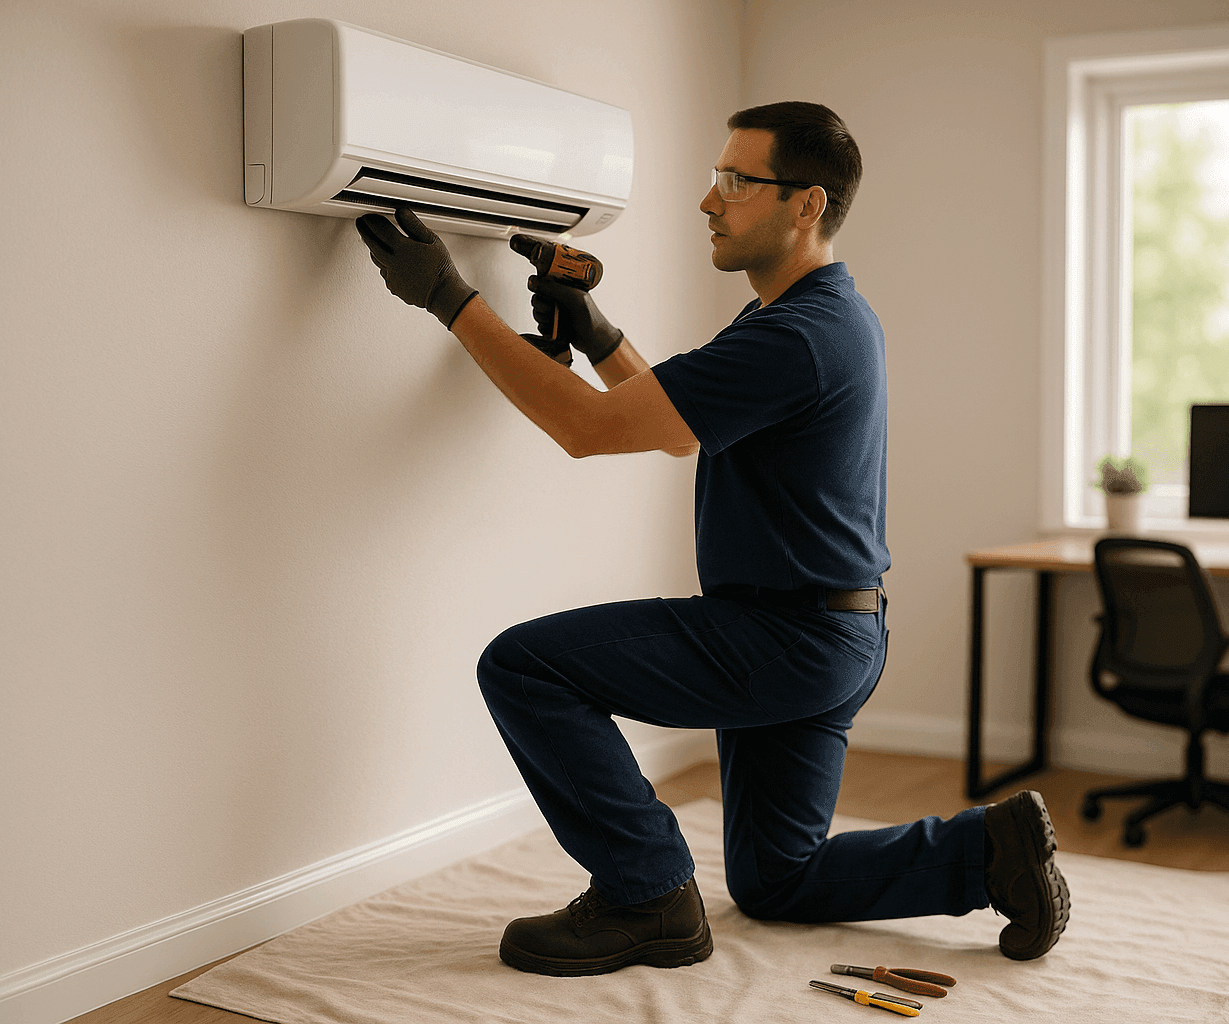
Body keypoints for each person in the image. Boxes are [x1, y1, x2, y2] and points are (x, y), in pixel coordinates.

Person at [354, 101, 1070, 978]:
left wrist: (450, 298)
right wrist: (599, 334)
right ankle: (985, 852)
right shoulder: (820, 315)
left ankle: (645, 893)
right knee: (778, 879)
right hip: (835, 633)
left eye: (736, 180)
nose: (708, 200)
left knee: (524, 665)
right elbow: (682, 426)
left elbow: (584, 429)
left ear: (805, 204)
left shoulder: (795, 336)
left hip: (785, 637)